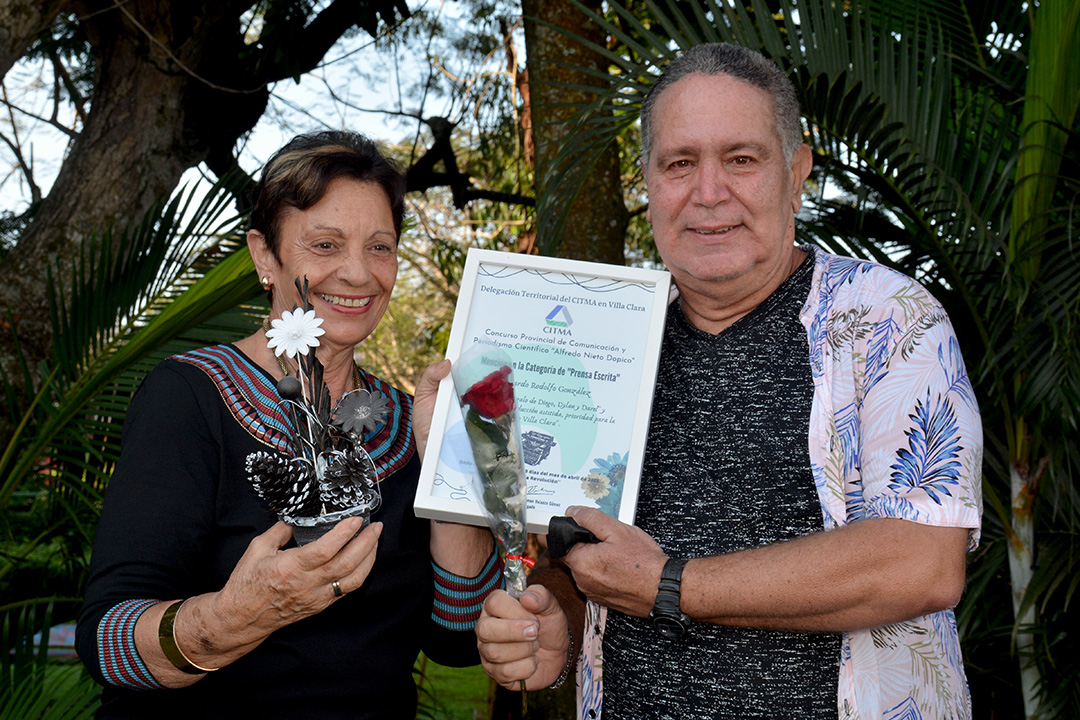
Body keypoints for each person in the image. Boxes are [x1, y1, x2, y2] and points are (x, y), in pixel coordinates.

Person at [476, 43, 983, 720]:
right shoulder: (608, 339)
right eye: (679, 164)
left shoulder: (887, 318)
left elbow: (922, 562)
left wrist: (671, 585)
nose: (708, 193)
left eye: (741, 159)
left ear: (796, 171)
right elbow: (584, 553)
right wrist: (555, 627)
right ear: (649, 184)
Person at [76, 131, 497, 719]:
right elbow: (104, 640)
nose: (358, 273)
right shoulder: (189, 395)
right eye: (325, 244)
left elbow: (457, 641)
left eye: (381, 247)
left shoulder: (412, 419)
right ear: (263, 255)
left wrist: (451, 476)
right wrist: (231, 619)